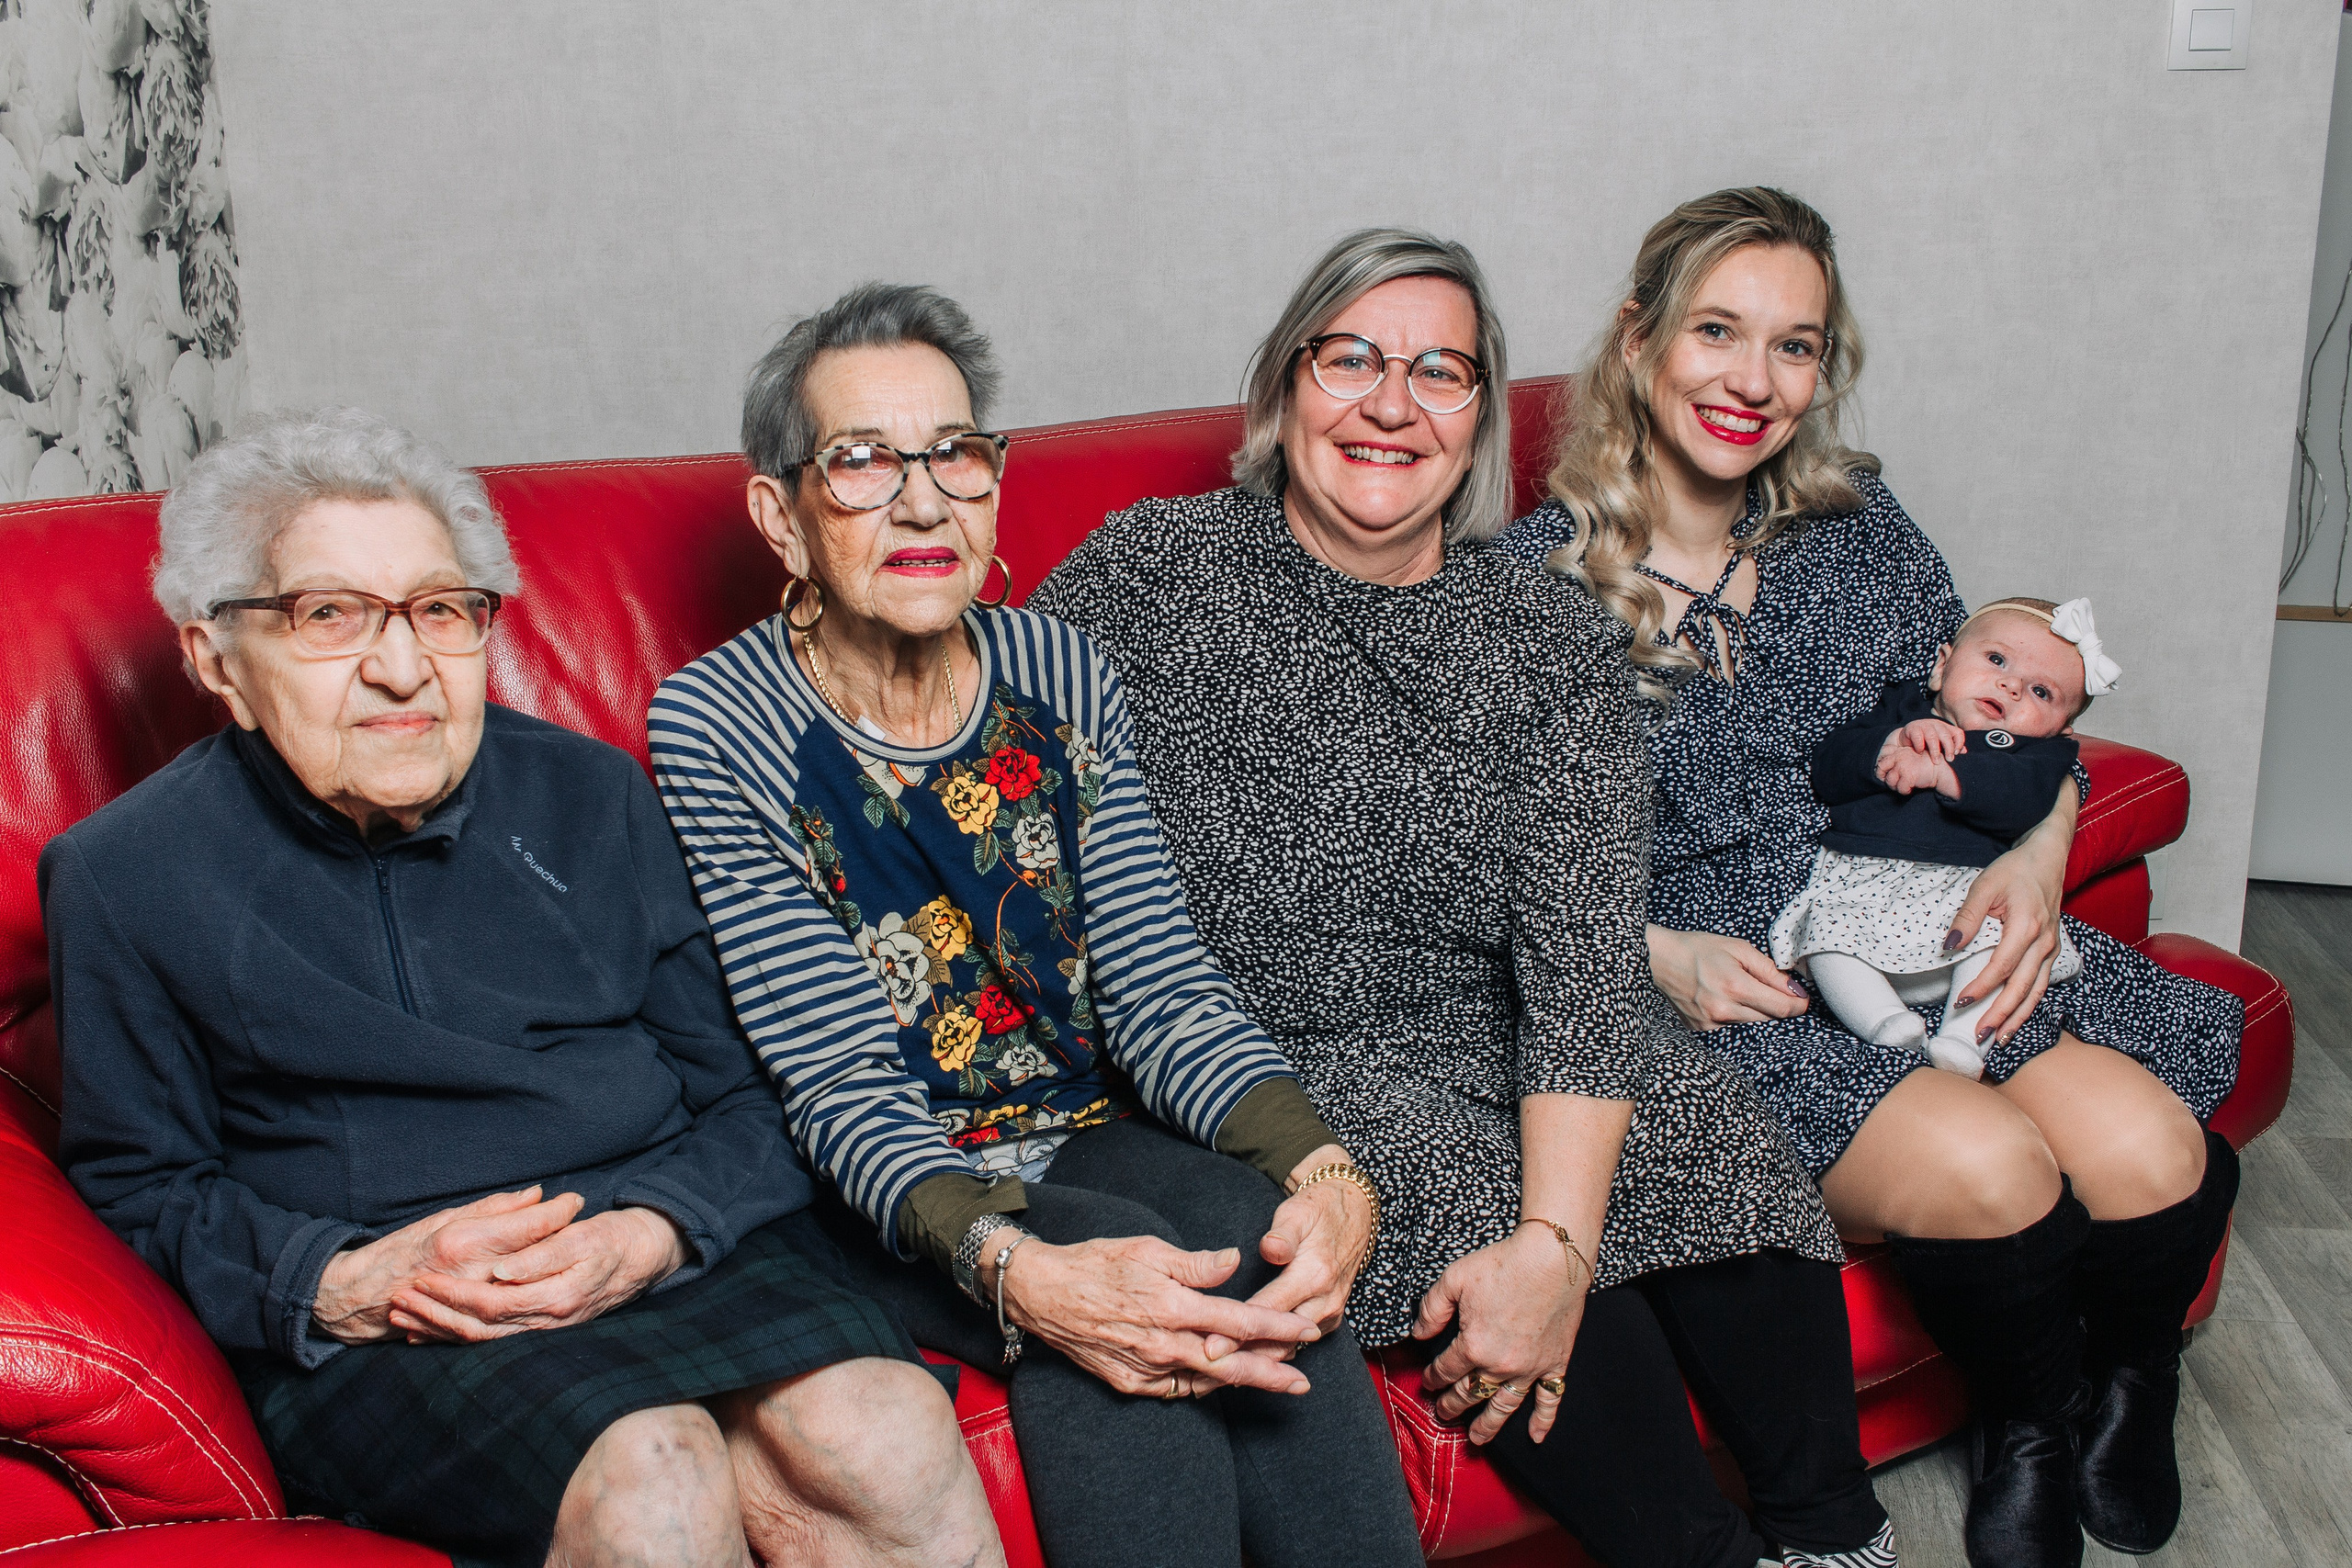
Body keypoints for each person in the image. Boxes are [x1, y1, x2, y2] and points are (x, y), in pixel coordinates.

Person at [1031, 231, 1896, 1568]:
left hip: (1495, 1016)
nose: (1393, 402)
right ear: (1284, 385)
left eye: (1441, 370)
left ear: (1481, 414)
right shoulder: (1151, 569)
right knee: (1462, 1194)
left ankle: (1834, 1535)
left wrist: (1563, 1238)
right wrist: (1533, 1245)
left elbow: (1582, 964)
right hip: (1264, 1052)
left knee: (1708, 1127)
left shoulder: (1547, 630)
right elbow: (990, 778)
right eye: (1353, 359)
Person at [46, 408, 1001, 1568]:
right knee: (654, 1475)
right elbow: (142, 1185)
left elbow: (758, 1096)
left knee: (888, 1437)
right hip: (404, 1314)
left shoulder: (594, 797)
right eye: (329, 616)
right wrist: (345, 1282)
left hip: (665, 1237)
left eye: (441, 611)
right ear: (215, 660)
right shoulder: (122, 875)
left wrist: (653, 1234)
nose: (402, 670)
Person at [1494, 187, 2243, 1567]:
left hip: (1928, 903)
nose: (1753, 380)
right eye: (1718, 329)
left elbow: (2018, 717)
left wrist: (2037, 850)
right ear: (1638, 335)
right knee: (1991, 1163)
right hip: (1740, 978)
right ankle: (2029, 1416)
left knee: (2149, 1147)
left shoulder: (1856, 521)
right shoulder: (1520, 580)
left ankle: (2126, 1378)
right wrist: (1652, 944)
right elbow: (1485, 859)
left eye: (1795, 345)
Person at [647, 283, 1424, 1568]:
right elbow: (837, 1078)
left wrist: (1328, 1167)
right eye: (861, 462)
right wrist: (1012, 1266)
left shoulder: (1061, 671)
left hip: (1080, 1123)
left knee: (1259, 1240)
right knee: (1118, 1293)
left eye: (954, 453)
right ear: (779, 517)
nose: (921, 500)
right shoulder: (718, 722)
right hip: (878, 1181)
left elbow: (1163, 987)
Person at [1772, 597, 2112, 1077]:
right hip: (1860, 891)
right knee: (1824, 936)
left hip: (1964, 897)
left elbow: (2021, 802)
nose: (2011, 686)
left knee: (2001, 938)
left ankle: (1962, 1038)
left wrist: (1944, 773)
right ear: (1941, 666)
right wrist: (1889, 747)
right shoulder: (1898, 712)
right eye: (1997, 660)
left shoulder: (2032, 757)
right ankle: (1886, 1025)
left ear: (2062, 729)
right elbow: (1829, 767)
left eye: (2041, 692)